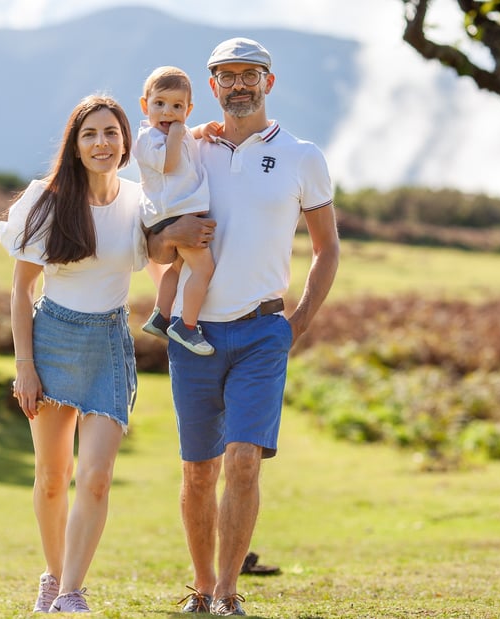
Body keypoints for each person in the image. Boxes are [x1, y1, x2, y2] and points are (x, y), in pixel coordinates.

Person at [147, 38, 340, 616]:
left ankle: (229, 592)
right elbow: (154, 242)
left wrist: (298, 322)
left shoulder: (303, 156)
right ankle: (201, 589)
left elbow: (327, 249)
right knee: (198, 470)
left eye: (248, 75)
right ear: (211, 87)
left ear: (268, 83)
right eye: (225, 76)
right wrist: (167, 240)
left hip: (262, 333)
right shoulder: (192, 148)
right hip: (194, 334)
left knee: (244, 461)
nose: (237, 84)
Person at [0, 94, 154, 614]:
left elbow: (167, 259)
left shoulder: (139, 201)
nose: (101, 143)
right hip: (52, 340)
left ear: (125, 141)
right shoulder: (48, 200)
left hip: (109, 342)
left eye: (111, 132)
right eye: (90, 134)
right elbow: (20, 290)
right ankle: (53, 574)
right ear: (76, 145)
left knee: (98, 476)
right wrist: (25, 367)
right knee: (52, 476)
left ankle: (71, 594)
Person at [133, 65, 220, 356]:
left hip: (175, 210)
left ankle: (161, 315)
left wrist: (198, 131)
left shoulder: (174, 132)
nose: (168, 113)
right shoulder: (148, 139)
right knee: (204, 269)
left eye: (177, 107)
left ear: (188, 109)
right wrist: (179, 133)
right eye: (160, 104)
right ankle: (187, 326)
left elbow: (184, 138)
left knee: (179, 267)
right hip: (174, 212)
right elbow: (169, 164)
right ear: (145, 105)